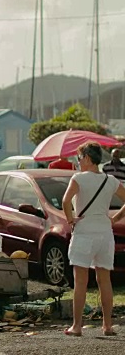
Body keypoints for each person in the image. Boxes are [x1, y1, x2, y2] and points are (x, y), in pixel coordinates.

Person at [62, 142, 125, 337]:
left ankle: (77, 326)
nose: (78, 162)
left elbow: (65, 201)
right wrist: (114, 218)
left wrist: (70, 219)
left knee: (80, 281)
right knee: (104, 280)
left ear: (87, 158)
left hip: (84, 232)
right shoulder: (111, 180)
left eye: (79, 158)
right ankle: (107, 325)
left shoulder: (79, 178)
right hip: (105, 234)